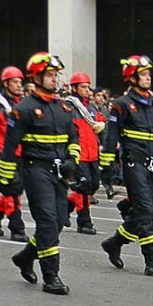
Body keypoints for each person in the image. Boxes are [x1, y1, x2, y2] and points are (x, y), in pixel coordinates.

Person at [0, 53, 79, 295]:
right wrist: (7, 179)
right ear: (36, 78)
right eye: (49, 75)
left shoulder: (63, 107)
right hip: (36, 170)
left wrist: (72, 160)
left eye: (56, 75)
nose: (55, 79)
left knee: (59, 220)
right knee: (47, 222)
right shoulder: (23, 109)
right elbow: (10, 147)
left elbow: (73, 138)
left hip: (59, 173)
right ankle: (51, 276)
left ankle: (25, 257)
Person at [100, 55, 153, 277]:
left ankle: (114, 243)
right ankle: (151, 259)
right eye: (143, 75)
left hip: (150, 166)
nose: (148, 78)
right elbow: (111, 136)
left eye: (149, 74)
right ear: (132, 78)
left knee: (142, 212)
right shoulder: (121, 105)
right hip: (133, 164)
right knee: (145, 211)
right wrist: (107, 166)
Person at [0, 67, 29, 242]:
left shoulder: (21, 104)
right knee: (12, 191)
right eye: (15, 82)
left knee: (14, 190)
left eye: (20, 82)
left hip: (19, 153)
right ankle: (17, 228)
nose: (19, 85)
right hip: (1, 154)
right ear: (6, 84)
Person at [64, 72, 106, 235]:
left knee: (93, 185)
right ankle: (84, 222)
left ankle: (66, 207)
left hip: (93, 153)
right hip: (79, 153)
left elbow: (101, 123)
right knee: (84, 186)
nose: (87, 90)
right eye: (83, 87)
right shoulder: (68, 107)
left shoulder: (91, 108)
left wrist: (103, 126)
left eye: (88, 87)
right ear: (74, 88)